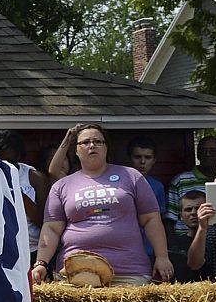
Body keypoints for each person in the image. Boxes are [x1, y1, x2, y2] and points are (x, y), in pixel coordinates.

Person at [31, 123, 172, 286]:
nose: (92, 145)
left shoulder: (131, 176)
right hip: (74, 273)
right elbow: (52, 229)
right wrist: (41, 263)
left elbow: (151, 219)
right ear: (76, 150)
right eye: (85, 142)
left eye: (98, 141)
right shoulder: (62, 186)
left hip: (129, 272)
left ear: (106, 148)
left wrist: (162, 257)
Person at [0, 130, 46, 248]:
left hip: (31, 248)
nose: (5, 165)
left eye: (10, 161)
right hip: (0, 248)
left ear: (19, 156)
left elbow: (44, 221)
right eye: (1, 162)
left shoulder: (35, 178)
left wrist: (16, 193)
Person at [169, 134, 216, 227]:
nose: (208, 154)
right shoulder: (180, 181)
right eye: (204, 151)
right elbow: (171, 218)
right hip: (186, 238)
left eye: (213, 151)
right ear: (198, 155)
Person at [169, 187, 208, 282]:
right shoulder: (173, 246)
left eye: (199, 208)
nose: (194, 213)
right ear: (181, 216)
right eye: (188, 209)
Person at [126, 136, 168, 222]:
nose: (142, 162)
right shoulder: (119, 185)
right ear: (129, 158)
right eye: (137, 157)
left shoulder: (157, 186)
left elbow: (159, 217)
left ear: (154, 160)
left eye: (148, 157)